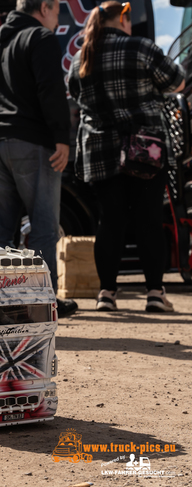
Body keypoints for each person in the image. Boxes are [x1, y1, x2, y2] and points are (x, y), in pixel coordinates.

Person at [68, 1, 185, 312]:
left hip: (100, 150)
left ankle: (106, 293)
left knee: (110, 221)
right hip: (145, 149)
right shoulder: (142, 48)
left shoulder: (82, 56)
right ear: (122, 18)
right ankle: (155, 294)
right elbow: (178, 82)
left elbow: (74, 96)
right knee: (149, 219)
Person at [0, 0, 77, 318]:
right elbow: (51, 90)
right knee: (44, 227)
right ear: (44, 7)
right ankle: (42, 303)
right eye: (58, 10)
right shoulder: (40, 38)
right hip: (31, 143)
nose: (57, 18)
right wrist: (62, 136)